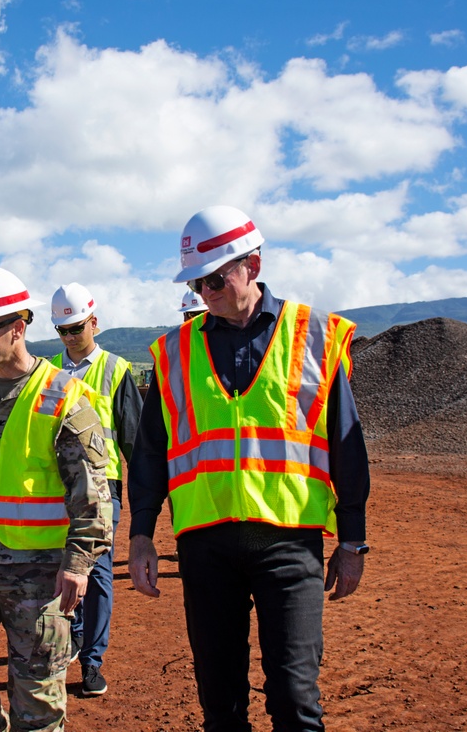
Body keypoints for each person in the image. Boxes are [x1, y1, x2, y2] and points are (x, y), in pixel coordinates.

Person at [127, 206, 371, 732]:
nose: (206, 292)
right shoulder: (172, 353)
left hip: (290, 545)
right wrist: (142, 535)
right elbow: (150, 454)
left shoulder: (315, 337)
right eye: (198, 281)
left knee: (294, 698)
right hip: (205, 546)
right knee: (221, 701)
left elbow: (348, 449)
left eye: (216, 278)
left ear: (253, 265)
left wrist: (352, 540)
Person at [0, 265, 113, 732]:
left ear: (18, 326)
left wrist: (78, 564)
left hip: (40, 568)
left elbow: (92, 491)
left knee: (37, 694)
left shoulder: (65, 396)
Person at [48, 283, 142, 697]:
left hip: (104, 488)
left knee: (99, 573)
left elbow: (134, 441)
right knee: (65, 568)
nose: (70, 337)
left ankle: (91, 661)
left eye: (77, 327)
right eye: (63, 330)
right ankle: (78, 633)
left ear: (94, 323)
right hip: (57, 490)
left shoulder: (116, 369)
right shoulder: (45, 370)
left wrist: (146, 503)